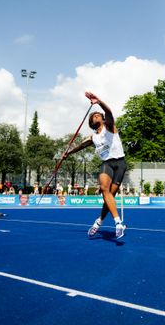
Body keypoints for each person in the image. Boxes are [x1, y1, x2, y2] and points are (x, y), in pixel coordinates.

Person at [64, 92, 127, 239]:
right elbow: (81, 145)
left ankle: (98, 221)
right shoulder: (93, 137)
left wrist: (99, 102)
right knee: (105, 190)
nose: (97, 116)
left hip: (120, 163)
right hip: (107, 164)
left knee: (109, 197)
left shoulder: (110, 127)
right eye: (94, 116)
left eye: (99, 115)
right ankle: (118, 224)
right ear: (92, 122)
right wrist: (68, 153)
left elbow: (109, 111)